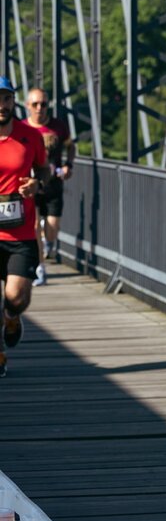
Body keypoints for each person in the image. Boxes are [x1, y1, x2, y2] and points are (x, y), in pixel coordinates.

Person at [0, 76, 49, 377]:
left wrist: (36, 184)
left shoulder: (29, 136)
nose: (1, 105)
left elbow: (43, 169)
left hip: (20, 234)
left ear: (13, 101)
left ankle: (11, 317)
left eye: (6, 98)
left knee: (17, 298)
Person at [23, 88, 74, 285]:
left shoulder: (58, 126)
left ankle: (47, 239)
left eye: (43, 104)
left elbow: (70, 146)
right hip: (32, 186)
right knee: (34, 226)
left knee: (52, 229)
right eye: (35, 104)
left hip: (53, 186)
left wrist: (68, 165)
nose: (39, 108)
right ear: (28, 105)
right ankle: (40, 268)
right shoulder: (22, 128)